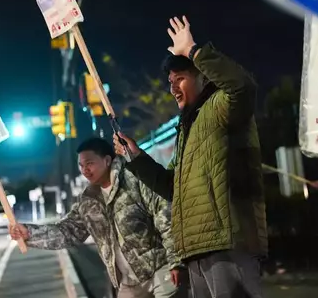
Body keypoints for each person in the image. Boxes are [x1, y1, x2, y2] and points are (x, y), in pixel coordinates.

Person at [113, 16, 267, 298]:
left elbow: (243, 86)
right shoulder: (188, 127)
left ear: (203, 76)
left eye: (180, 79)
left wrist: (194, 50)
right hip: (196, 247)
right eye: (170, 82)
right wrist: (136, 157)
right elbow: (173, 187)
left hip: (227, 243)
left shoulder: (222, 106)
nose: (172, 89)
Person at [9, 137, 182, 298]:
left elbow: (165, 217)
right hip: (127, 283)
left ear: (107, 161)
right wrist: (29, 233)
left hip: (160, 270)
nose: (85, 170)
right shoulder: (88, 200)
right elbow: (68, 231)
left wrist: (175, 262)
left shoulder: (135, 179)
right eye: (81, 165)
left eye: (89, 163)